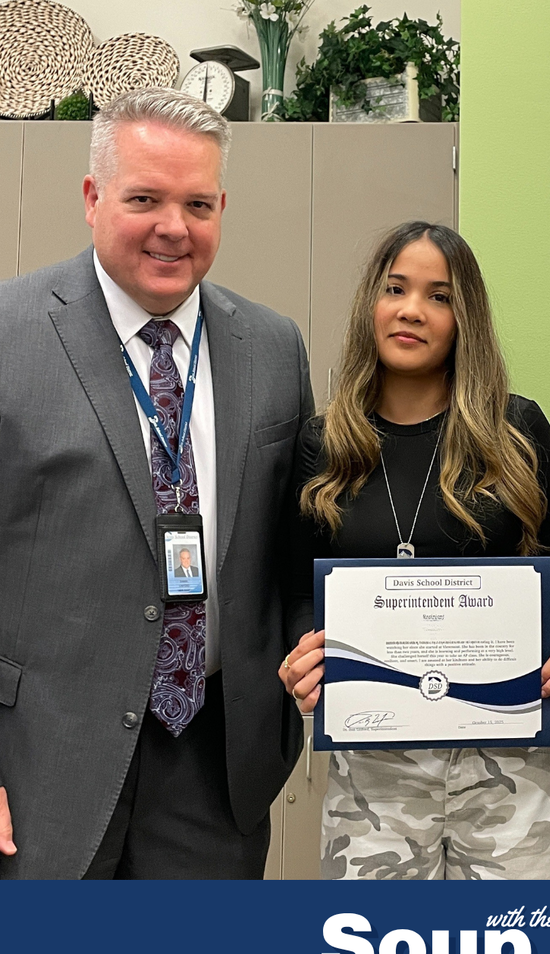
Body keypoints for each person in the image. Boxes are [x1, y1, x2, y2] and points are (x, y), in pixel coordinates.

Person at [0, 88, 313, 879]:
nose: (174, 227)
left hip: (215, 766)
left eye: (197, 204)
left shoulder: (273, 347)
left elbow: (295, 542)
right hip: (42, 761)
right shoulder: (9, 333)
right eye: (145, 198)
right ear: (92, 196)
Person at [280, 221, 550, 880]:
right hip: (375, 765)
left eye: (438, 296)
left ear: (462, 319)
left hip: (509, 764)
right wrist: (304, 653)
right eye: (395, 289)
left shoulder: (517, 430)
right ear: (372, 303)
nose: (412, 309)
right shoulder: (323, 444)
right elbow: (297, 588)